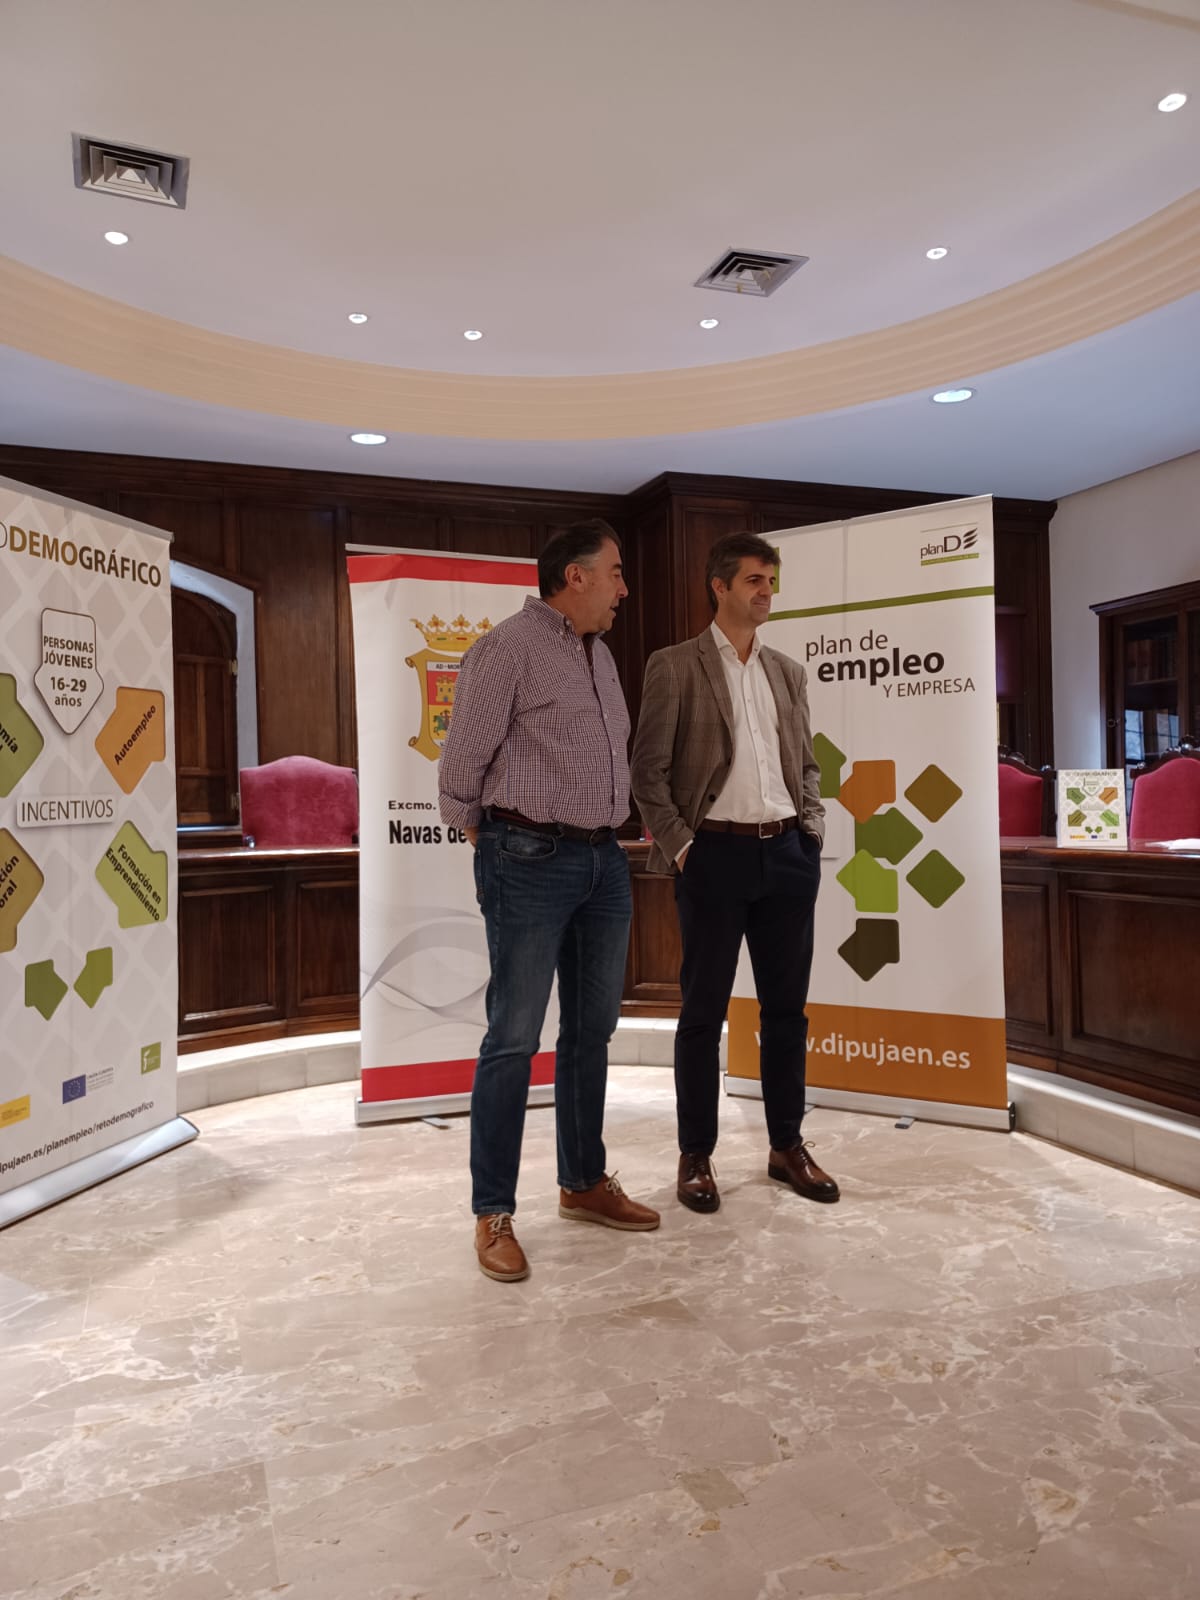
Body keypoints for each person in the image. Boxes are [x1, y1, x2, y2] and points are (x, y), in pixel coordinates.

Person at [439, 519, 660, 1282]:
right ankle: (492, 1212)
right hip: (527, 858)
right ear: (575, 577)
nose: (624, 588)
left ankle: (583, 1181)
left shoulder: (600, 655)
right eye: (616, 573)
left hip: (604, 861)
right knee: (513, 1037)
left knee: (592, 1031)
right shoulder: (506, 648)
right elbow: (462, 758)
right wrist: (483, 832)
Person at [630, 531, 838, 1214]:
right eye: (754, 580)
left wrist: (810, 831)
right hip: (713, 857)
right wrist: (684, 848)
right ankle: (696, 1154)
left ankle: (786, 1146)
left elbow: (806, 765)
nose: (766, 592)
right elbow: (647, 774)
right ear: (719, 586)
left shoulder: (787, 672)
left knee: (786, 1014)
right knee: (703, 1013)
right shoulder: (674, 666)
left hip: (787, 856)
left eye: (771, 581)